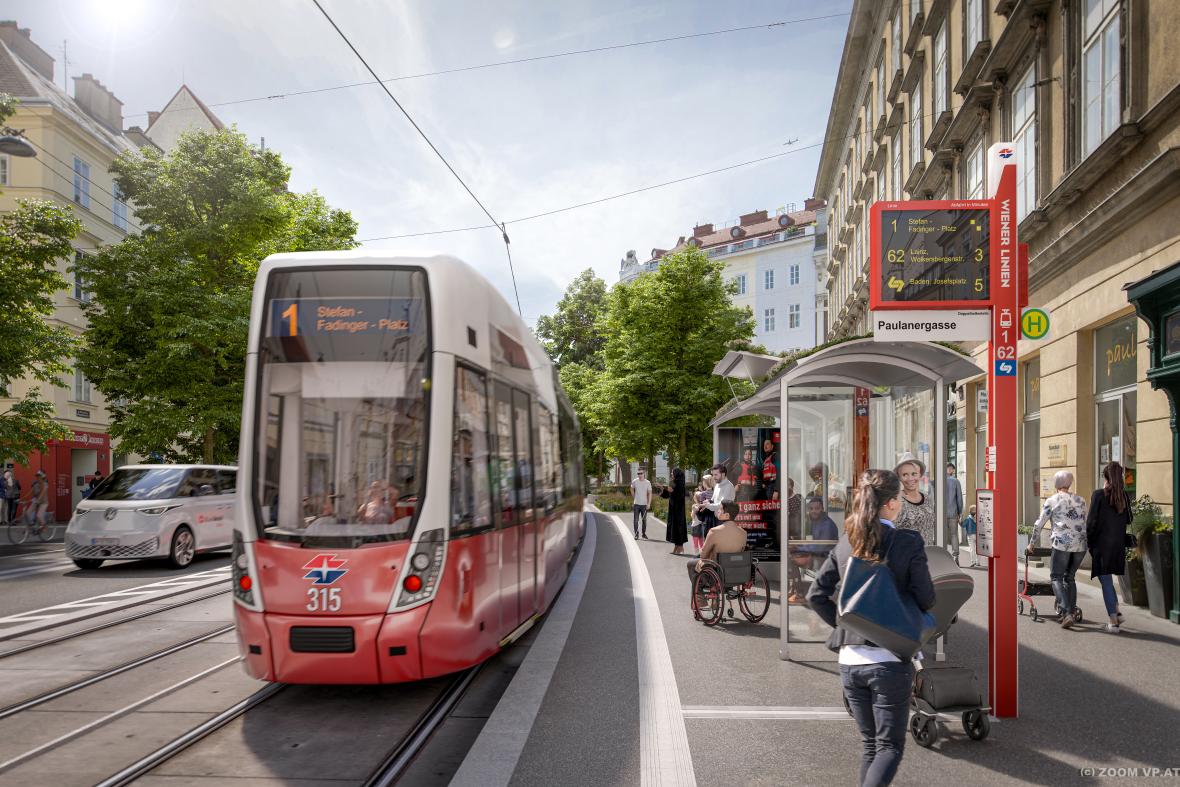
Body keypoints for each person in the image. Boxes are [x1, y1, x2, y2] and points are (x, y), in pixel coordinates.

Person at [808, 469, 935, 787]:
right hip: (890, 661)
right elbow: (927, 597)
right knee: (889, 748)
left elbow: (816, 595)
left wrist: (846, 625)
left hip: (850, 662)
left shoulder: (845, 543)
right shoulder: (907, 542)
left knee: (870, 746)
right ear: (892, 503)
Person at [1031, 470, 1088, 628]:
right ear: (1069, 483)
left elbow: (1039, 523)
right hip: (1081, 544)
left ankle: (1066, 612)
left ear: (1056, 483)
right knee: (1070, 577)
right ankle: (1072, 609)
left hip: (1062, 542)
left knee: (1056, 577)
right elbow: (1086, 522)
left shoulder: (1052, 500)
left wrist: (1032, 543)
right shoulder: (1081, 500)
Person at [1087, 462, 1132, 634]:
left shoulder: (1099, 495)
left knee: (1105, 580)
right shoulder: (1124, 496)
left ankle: (1113, 621)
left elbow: (1091, 522)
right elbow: (1129, 520)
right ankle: (1117, 612)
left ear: (1106, 477)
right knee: (1107, 580)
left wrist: (1089, 542)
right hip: (1118, 544)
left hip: (1101, 544)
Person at [688, 500, 747, 587]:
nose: (718, 510)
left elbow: (703, 555)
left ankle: (700, 594)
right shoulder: (743, 533)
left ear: (727, 515)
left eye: (721, 509)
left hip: (717, 570)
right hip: (735, 570)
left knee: (690, 563)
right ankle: (727, 588)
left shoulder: (714, 531)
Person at [894, 454, 936, 545]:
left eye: (914, 474)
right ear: (899, 477)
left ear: (920, 474)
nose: (910, 479)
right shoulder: (897, 501)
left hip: (928, 555)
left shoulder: (927, 498)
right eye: (905, 474)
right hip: (908, 557)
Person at [664, 468, 688, 555]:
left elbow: (680, 496)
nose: (671, 474)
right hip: (673, 508)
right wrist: (662, 490)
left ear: (677, 473)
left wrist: (672, 491)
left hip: (679, 509)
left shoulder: (680, 483)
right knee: (674, 527)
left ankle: (679, 547)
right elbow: (668, 495)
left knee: (678, 527)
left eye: (672, 473)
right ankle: (677, 547)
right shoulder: (673, 482)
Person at [690, 474, 716, 555]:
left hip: (705, 519)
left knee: (706, 537)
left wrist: (696, 511)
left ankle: (705, 555)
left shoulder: (703, 494)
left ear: (705, 482)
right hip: (714, 517)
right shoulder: (715, 492)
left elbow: (701, 509)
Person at [945, 463, 964, 562]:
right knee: (954, 535)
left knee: (941, 534)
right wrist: (960, 512)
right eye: (952, 469)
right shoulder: (956, 481)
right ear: (951, 470)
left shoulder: (938, 481)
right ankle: (955, 556)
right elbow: (959, 498)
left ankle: (941, 556)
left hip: (941, 513)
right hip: (953, 512)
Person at [631, 468, 653, 540]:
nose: (639, 475)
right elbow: (631, 488)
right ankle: (636, 534)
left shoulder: (648, 482)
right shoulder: (635, 481)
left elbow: (650, 493)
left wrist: (649, 503)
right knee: (636, 520)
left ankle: (643, 534)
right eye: (638, 474)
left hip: (644, 504)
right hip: (636, 504)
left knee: (644, 520)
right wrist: (634, 497)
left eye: (641, 473)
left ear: (644, 474)